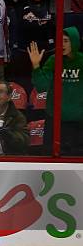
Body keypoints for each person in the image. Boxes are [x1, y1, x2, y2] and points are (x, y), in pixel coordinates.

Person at [29, 27, 83, 155]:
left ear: (74, 42)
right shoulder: (54, 60)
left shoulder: (82, 61)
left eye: (66, 41)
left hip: (78, 122)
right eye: (60, 41)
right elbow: (42, 87)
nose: (62, 44)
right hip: (55, 120)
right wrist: (36, 66)